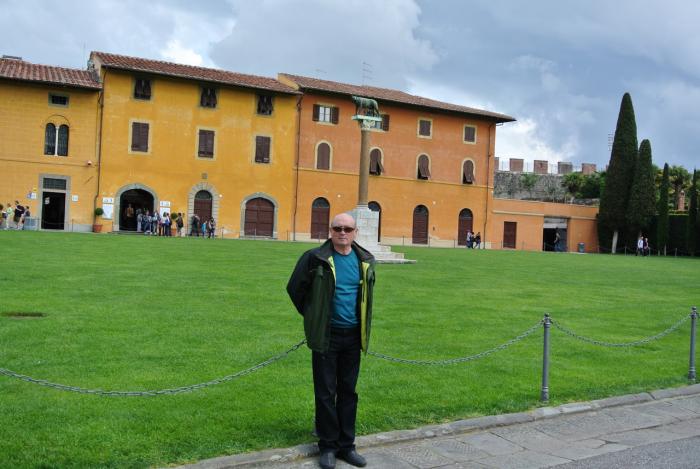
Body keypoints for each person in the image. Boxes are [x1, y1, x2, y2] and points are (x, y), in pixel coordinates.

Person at [287, 213, 376, 469]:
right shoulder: (315, 258)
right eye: (337, 228)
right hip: (327, 335)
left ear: (355, 232)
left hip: (353, 335)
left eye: (347, 229)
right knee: (325, 392)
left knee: (348, 391)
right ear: (330, 231)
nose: (342, 233)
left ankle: (347, 446)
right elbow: (295, 288)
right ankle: (327, 446)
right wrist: (314, 315)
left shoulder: (364, 260)